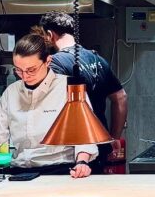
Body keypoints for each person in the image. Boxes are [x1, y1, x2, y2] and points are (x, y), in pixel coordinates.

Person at [0, 30, 97, 178]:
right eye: (19, 70)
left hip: (59, 171)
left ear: (48, 61)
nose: (25, 76)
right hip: (19, 171)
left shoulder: (69, 88)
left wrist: (82, 162)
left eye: (31, 70)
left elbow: (84, 135)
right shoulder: (11, 92)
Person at [39, 11, 127, 164]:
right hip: (100, 143)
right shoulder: (97, 59)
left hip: (73, 152)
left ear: (50, 35)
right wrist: (114, 137)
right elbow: (121, 97)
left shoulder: (55, 63)